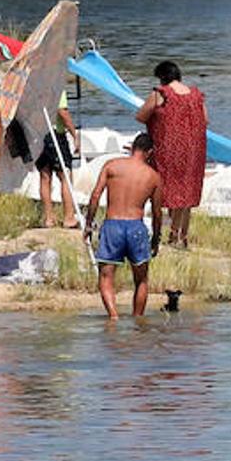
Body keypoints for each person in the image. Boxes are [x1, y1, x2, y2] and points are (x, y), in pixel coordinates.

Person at [84, 132, 164, 320]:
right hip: (136, 227)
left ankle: (113, 317)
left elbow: (95, 195)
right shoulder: (153, 176)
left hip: (113, 225)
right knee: (142, 279)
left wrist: (89, 224)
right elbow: (158, 213)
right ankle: (138, 320)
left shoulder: (112, 166)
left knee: (106, 276)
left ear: (132, 147)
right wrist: (156, 238)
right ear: (150, 152)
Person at [135, 60, 207, 248]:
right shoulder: (196, 96)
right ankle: (181, 236)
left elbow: (141, 116)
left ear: (162, 77)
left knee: (167, 190)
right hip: (194, 149)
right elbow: (205, 120)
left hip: (168, 148)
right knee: (187, 190)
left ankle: (166, 235)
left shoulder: (160, 94)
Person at [35, 92, 80, 229]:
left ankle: (49, 218)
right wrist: (74, 134)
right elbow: (62, 112)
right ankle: (69, 217)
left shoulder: (33, 86)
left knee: (45, 175)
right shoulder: (56, 85)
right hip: (55, 134)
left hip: (37, 134)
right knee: (65, 175)